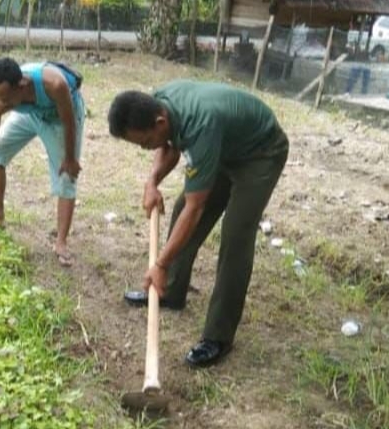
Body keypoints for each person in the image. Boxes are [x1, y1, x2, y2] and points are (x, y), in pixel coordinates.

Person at [107, 80, 289, 367]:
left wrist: (161, 264)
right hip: (224, 146)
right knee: (181, 208)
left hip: (260, 154)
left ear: (159, 120)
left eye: (144, 142)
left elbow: (196, 208)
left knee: (235, 235)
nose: (146, 148)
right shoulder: (157, 101)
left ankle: (218, 336)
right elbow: (167, 145)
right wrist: (152, 182)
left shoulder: (200, 125)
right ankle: (171, 292)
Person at [0, 57, 85, 267]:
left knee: (66, 175)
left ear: (21, 85)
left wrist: (70, 158)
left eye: (4, 98)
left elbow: (69, 121)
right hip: (30, 116)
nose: (0, 103)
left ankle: (61, 242)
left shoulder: (54, 85)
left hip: (60, 119)